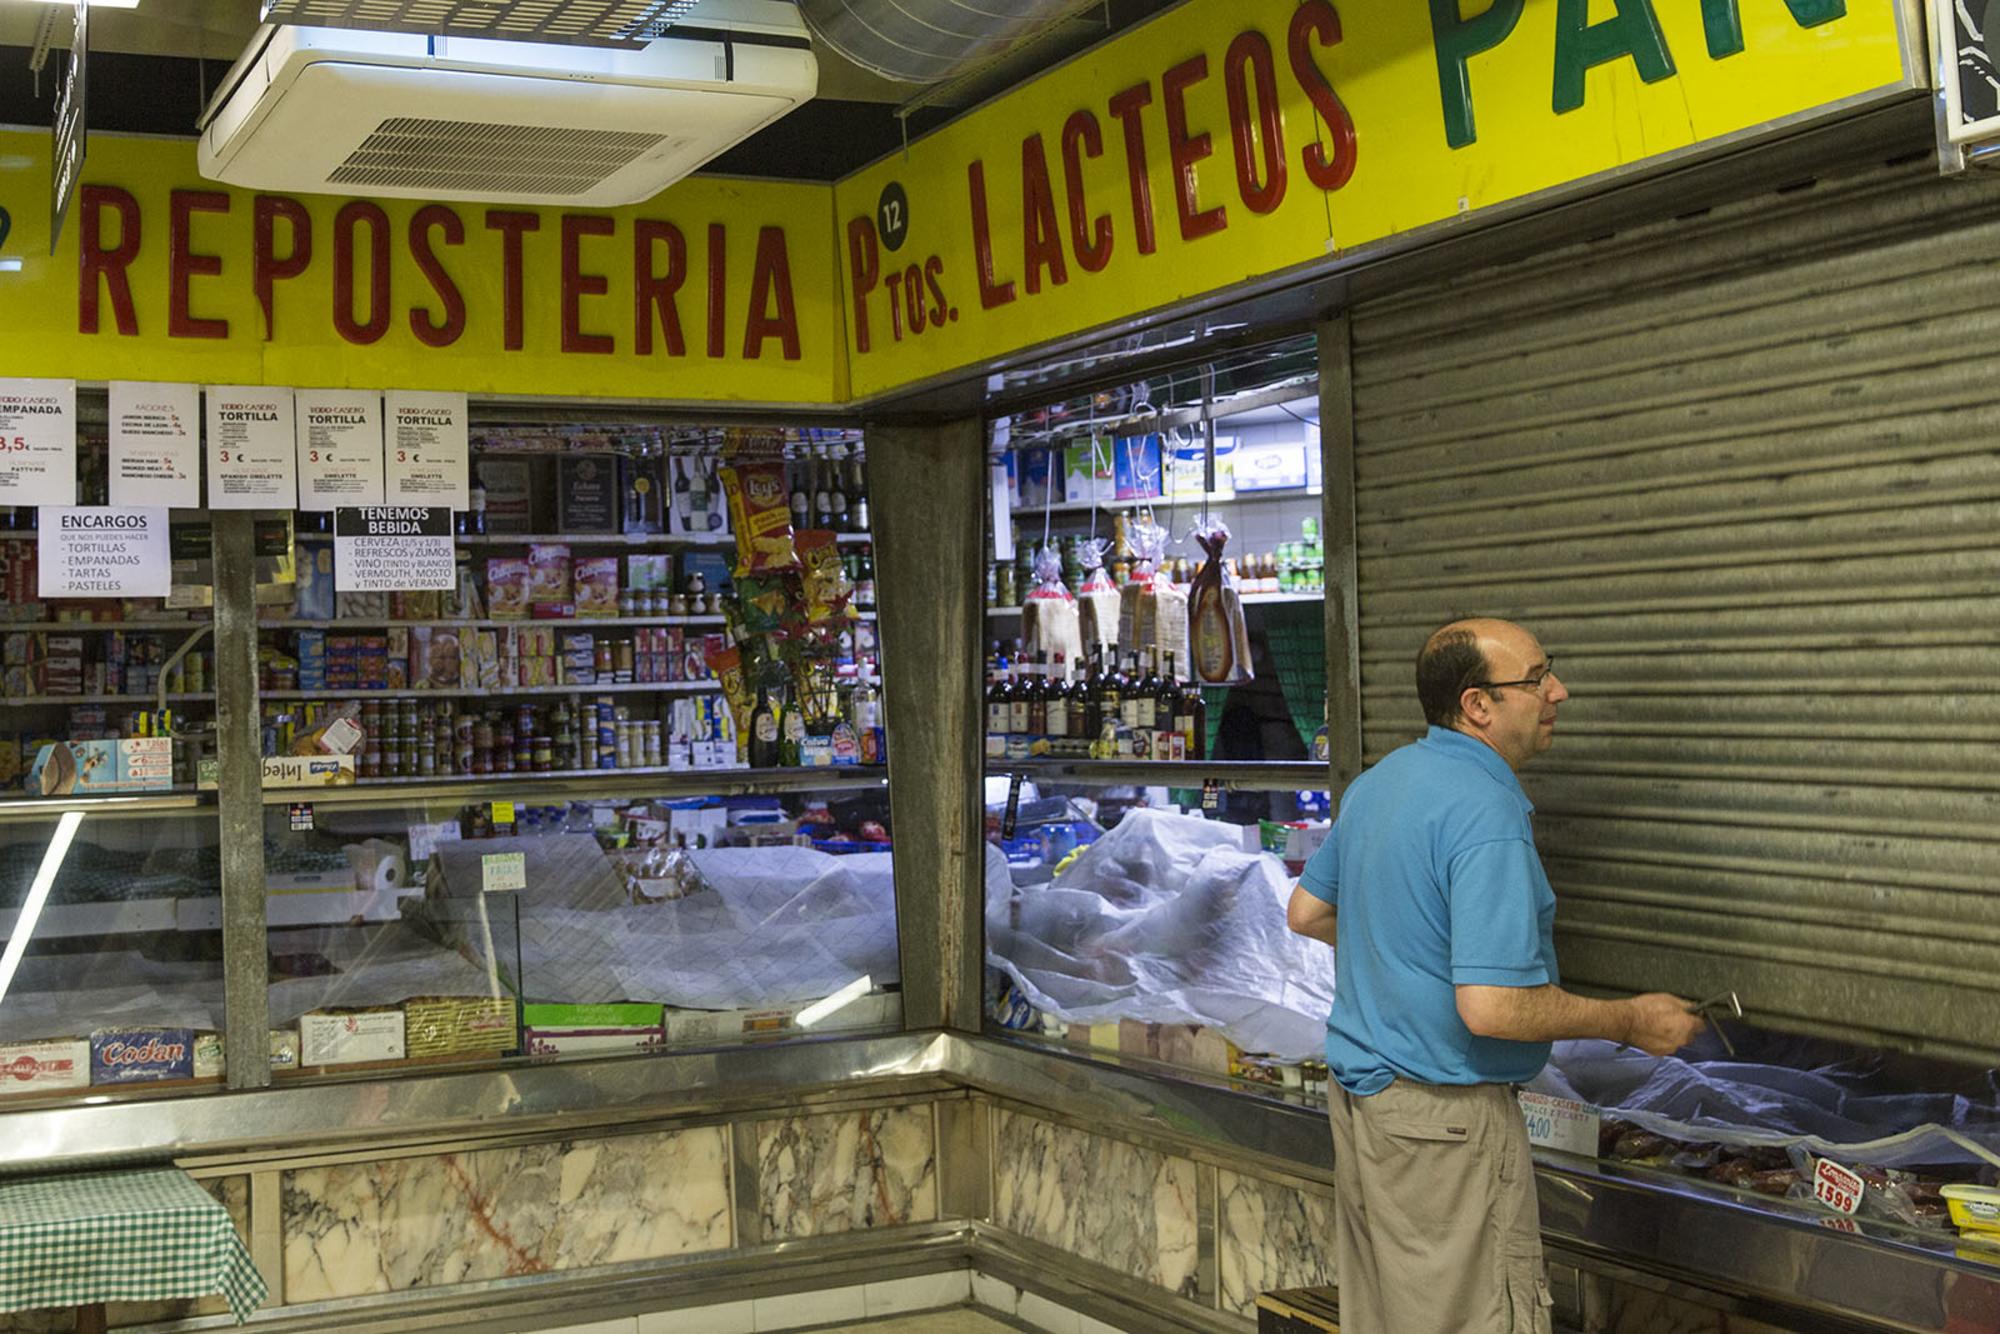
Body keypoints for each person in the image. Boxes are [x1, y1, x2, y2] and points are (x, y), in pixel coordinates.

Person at [1286, 617, 1704, 1334]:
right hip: (1446, 1127)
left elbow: (1306, 911)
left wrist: (1410, 961)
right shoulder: (1485, 811)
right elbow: (1493, 1009)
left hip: (1368, 1114)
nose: (1558, 692)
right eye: (1537, 678)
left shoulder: (1383, 782)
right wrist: (1631, 1021)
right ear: (1478, 705)